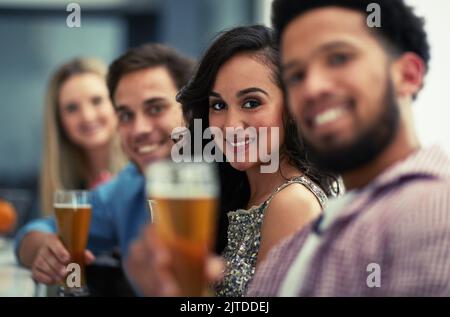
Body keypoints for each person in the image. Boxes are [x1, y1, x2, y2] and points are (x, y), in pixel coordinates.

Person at [246, 0, 450, 296]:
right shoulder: (299, 243)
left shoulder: (430, 209)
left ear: (407, 75)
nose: (312, 88)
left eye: (339, 58)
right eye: (296, 75)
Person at [126, 25, 338, 297]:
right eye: (218, 105)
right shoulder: (247, 193)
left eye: (251, 103)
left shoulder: (292, 202)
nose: (230, 126)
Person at [14, 44, 196, 295]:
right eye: (126, 115)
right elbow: (34, 232)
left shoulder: (231, 183)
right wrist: (45, 249)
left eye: (155, 108)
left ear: (190, 110)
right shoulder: (127, 188)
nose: (139, 129)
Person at [40, 58, 127, 217]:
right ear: (59, 121)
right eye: (72, 108)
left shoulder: (143, 174)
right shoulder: (63, 182)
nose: (87, 116)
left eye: (97, 100)